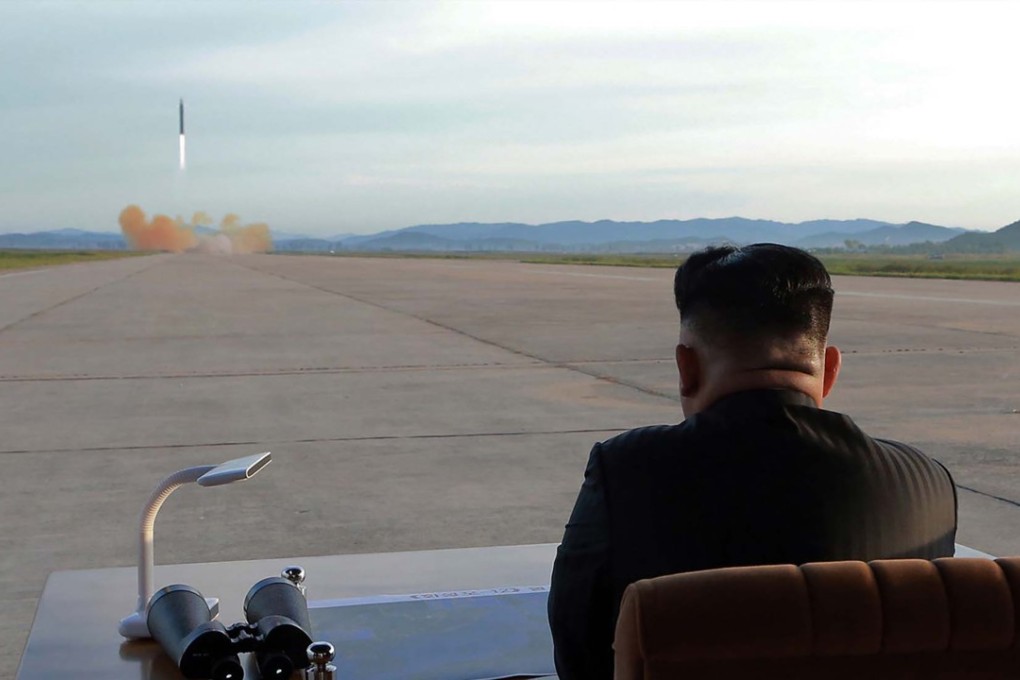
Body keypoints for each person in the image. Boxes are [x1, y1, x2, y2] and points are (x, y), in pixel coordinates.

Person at [547, 243, 958, 680]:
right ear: (830, 369)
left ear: (686, 368)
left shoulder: (627, 470)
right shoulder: (928, 484)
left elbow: (578, 649)